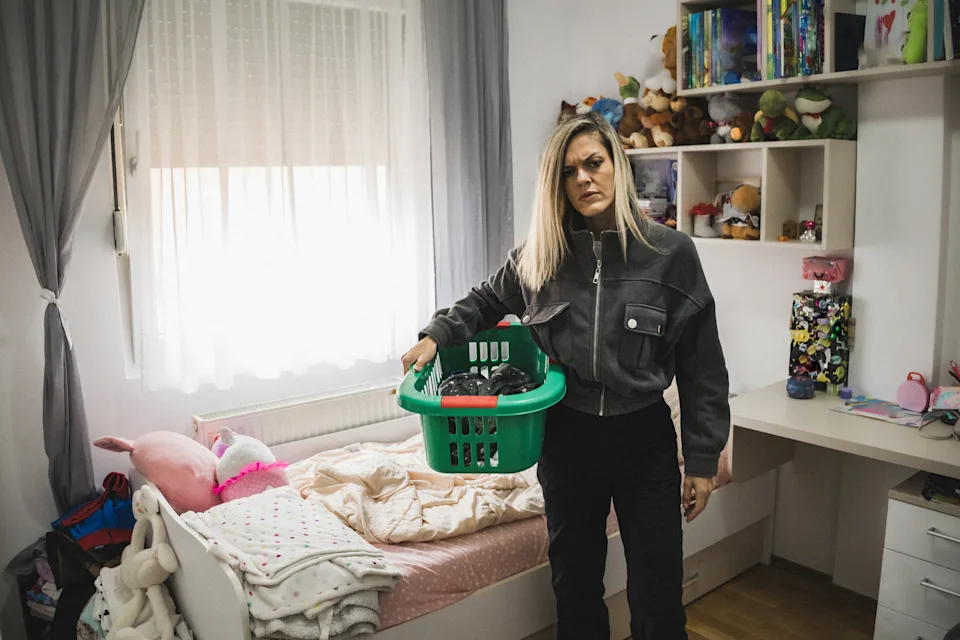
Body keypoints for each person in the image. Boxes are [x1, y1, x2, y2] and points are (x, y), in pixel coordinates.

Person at [401, 112, 730, 640]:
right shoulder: (541, 255)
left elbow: (702, 367)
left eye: (594, 163)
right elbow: (485, 300)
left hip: (643, 438)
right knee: (574, 586)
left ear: (617, 166)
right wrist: (437, 335)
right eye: (569, 171)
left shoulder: (670, 254)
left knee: (658, 590)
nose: (584, 179)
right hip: (567, 437)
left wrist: (703, 459)